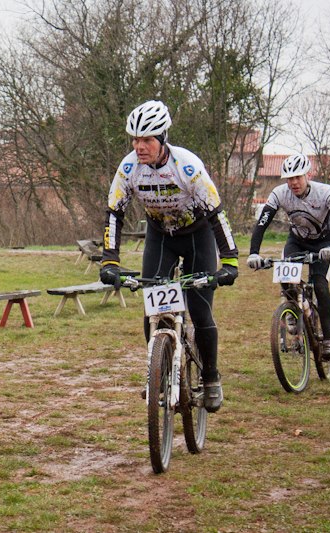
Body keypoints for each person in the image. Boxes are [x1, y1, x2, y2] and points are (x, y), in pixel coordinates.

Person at [99, 100, 239, 413]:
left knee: (200, 312)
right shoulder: (129, 168)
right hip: (161, 238)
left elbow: (217, 214)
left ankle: (211, 378)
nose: (139, 147)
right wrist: (109, 260)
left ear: (163, 139)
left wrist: (229, 260)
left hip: (197, 237)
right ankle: (159, 373)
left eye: (147, 140)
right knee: (153, 310)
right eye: (135, 140)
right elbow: (114, 213)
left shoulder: (187, 166)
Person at [247, 153, 330, 359]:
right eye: (289, 179)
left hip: (323, 244)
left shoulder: (326, 192)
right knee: (285, 277)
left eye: (297, 177)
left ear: (307, 175)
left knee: (320, 285)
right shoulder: (280, 193)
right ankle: (293, 311)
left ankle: (328, 339)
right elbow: (262, 223)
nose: (293, 183)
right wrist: (254, 253)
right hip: (297, 241)